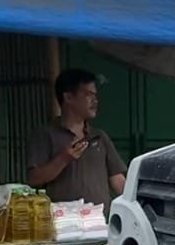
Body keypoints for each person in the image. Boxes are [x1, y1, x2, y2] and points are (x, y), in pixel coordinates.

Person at [26, 68, 126, 206]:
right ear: (68, 97)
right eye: (89, 95)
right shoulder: (45, 135)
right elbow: (34, 179)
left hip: (98, 218)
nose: (95, 100)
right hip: (61, 217)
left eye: (95, 95)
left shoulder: (99, 136)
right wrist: (64, 158)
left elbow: (118, 181)